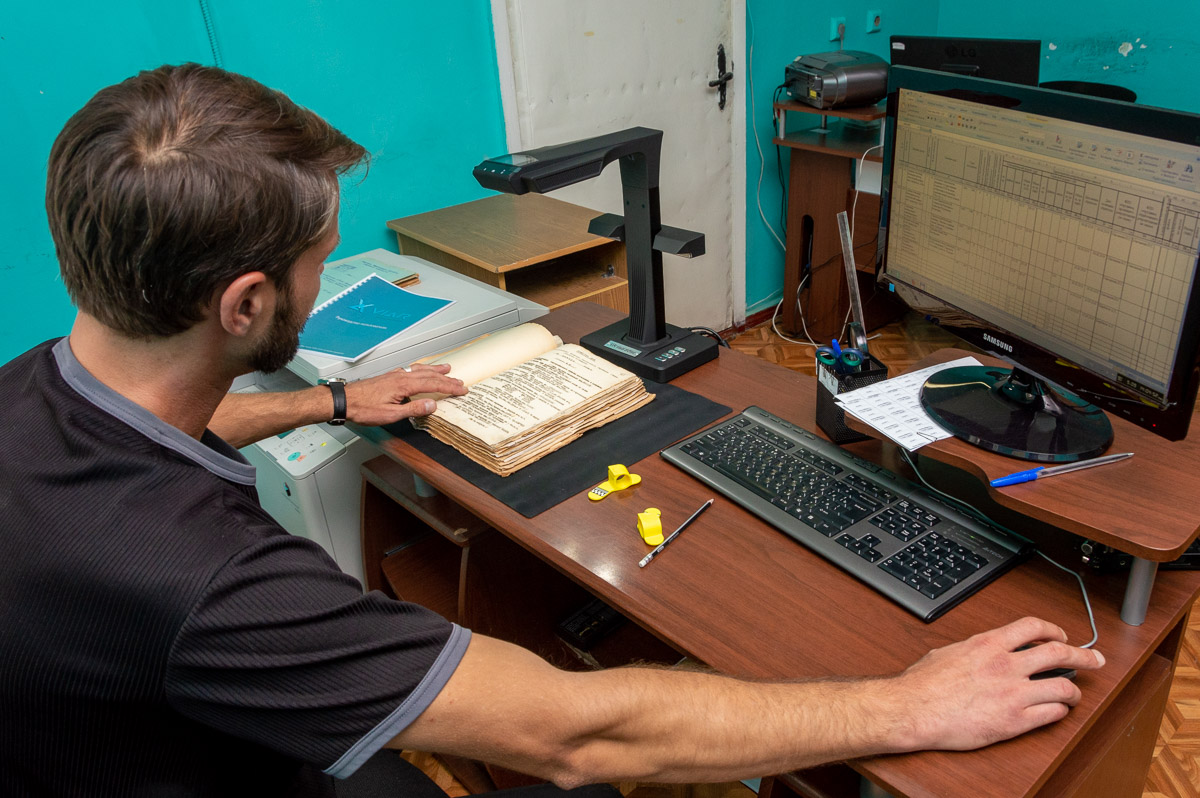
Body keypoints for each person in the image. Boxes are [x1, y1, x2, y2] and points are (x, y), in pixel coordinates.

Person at [0, 63, 1105, 797]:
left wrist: (329, 400)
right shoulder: (206, 579)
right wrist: (906, 702)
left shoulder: (34, 389)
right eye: (316, 262)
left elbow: (176, 427)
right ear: (245, 305)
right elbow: (577, 736)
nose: (320, 277)